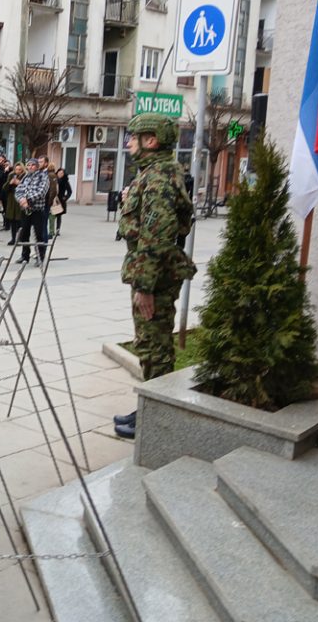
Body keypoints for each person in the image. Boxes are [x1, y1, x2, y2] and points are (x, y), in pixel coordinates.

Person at [112, 113, 196, 439]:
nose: (129, 142)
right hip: (153, 273)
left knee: (155, 347)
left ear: (151, 141)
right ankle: (151, 407)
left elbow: (157, 236)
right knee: (149, 344)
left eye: (134, 136)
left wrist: (144, 286)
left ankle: (158, 419)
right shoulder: (154, 174)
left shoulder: (158, 179)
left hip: (155, 277)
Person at [15, 158, 49, 265]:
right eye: (28, 165)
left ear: (37, 166)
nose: (30, 167)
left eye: (32, 165)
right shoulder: (26, 177)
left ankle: (40, 257)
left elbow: (41, 192)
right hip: (25, 209)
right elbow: (18, 190)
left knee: (39, 234)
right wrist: (21, 200)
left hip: (37, 210)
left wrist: (28, 200)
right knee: (24, 233)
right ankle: (25, 256)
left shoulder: (43, 176)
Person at [3, 162, 25, 245]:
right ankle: (13, 238)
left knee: (20, 221)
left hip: (21, 200)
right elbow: (4, 188)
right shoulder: (11, 175)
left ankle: (20, 238)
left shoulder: (25, 176)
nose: (17, 171)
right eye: (16, 169)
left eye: (19, 169)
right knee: (13, 221)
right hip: (12, 200)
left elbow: (27, 188)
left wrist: (19, 183)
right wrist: (10, 183)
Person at [54, 167, 72, 236]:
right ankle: (51, 230)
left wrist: (65, 197)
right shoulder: (54, 179)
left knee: (58, 216)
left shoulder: (65, 181)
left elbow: (70, 191)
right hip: (54, 199)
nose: (60, 174)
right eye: (59, 172)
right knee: (52, 215)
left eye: (62, 173)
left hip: (61, 200)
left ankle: (58, 230)